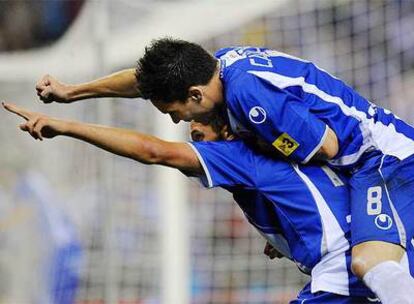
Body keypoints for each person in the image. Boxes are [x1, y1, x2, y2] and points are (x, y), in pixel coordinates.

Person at [35, 38, 414, 302]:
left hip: (385, 160)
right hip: (369, 166)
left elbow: (328, 146)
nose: (182, 122)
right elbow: (143, 79)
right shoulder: (222, 63)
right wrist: (73, 91)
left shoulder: (246, 104)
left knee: (370, 262)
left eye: (177, 114)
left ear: (197, 96)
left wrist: (66, 125)